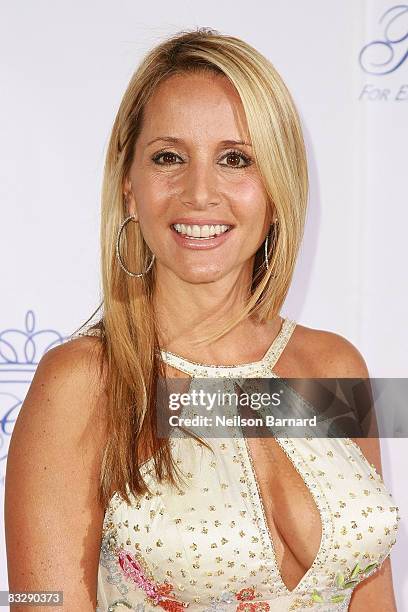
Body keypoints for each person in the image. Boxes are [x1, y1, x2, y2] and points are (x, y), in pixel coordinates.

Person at [5, 28, 400, 611]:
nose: (199, 192)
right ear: (130, 188)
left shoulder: (334, 366)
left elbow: (374, 597)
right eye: (169, 157)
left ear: (277, 186)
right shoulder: (82, 383)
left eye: (235, 159)